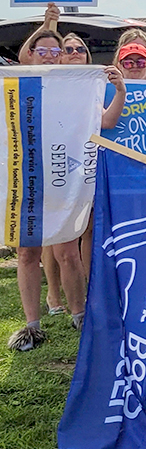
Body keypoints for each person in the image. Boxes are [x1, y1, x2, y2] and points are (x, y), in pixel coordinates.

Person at [7, 31, 125, 351]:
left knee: (67, 251)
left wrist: (120, 89)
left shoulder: (77, 89)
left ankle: (80, 314)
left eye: (55, 51)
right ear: (29, 54)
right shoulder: (16, 81)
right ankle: (32, 326)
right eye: (41, 51)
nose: (50, 55)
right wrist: (49, 22)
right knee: (27, 252)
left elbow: (107, 121)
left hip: (62, 177)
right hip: (27, 177)